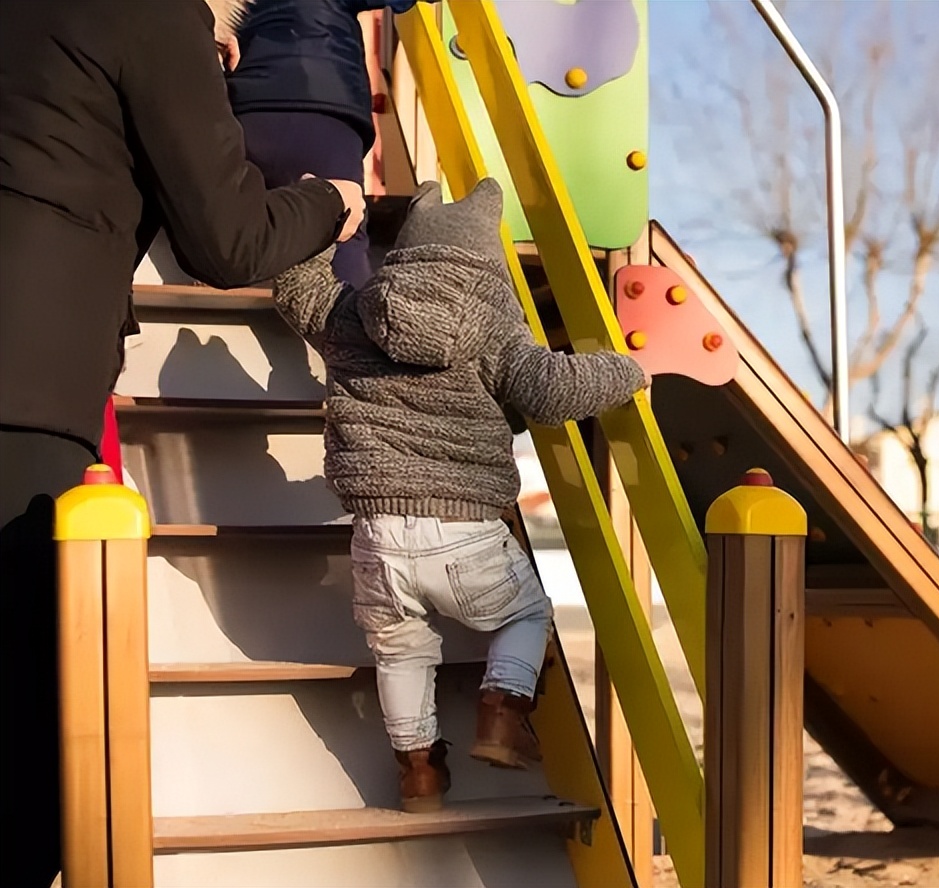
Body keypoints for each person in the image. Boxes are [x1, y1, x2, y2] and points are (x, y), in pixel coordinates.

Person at [0, 2, 366, 883]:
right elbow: (230, 238)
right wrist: (329, 201)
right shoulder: (151, 15)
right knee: (32, 725)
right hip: (26, 377)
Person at [272, 178, 648, 812]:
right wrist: (630, 367)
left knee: (400, 652)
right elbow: (553, 390)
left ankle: (418, 773)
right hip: (465, 529)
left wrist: (326, 217)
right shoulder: (494, 328)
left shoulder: (355, 315)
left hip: (377, 535)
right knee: (526, 613)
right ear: (486, 261)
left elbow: (297, 289)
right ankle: (501, 714)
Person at [225, 0, 424, 288]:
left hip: (246, 104)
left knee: (246, 225)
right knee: (342, 229)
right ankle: (345, 310)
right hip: (325, 104)